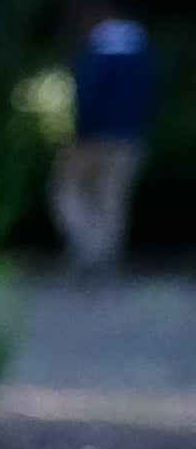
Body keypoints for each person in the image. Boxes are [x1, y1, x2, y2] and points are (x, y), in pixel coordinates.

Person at [54, 14, 160, 267]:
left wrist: (81, 132)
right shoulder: (144, 55)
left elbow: (85, 96)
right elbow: (155, 98)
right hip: (131, 138)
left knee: (66, 190)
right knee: (113, 198)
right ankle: (105, 256)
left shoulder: (97, 53)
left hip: (94, 138)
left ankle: (88, 250)